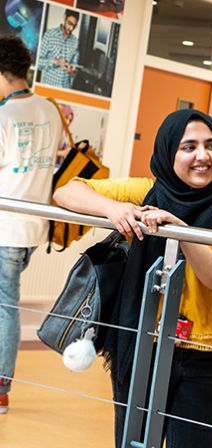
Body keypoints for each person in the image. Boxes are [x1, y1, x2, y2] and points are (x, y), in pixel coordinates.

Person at [53, 109, 212, 447]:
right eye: (188, 147)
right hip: (141, 343)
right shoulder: (147, 192)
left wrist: (182, 233)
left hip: (202, 352)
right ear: (167, 152)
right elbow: (66, 192)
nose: (203, 156)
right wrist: (113, 210)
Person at [0, 34, 63, 415]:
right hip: (33, 228)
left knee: (5, 307)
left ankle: (1, 387)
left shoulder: (5, 115)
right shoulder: (50, 109)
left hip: (6, 226)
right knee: (5, 304)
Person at [37, 9, 79, 89]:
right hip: (49, 87)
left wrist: (72, 70)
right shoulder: (49, 35)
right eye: (70, 23)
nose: (71, 28)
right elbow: (38, 63)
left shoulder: (75, 42)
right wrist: (56, 61)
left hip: (66, 89)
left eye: (74, 26)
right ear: (64, 16)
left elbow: (75, 70)